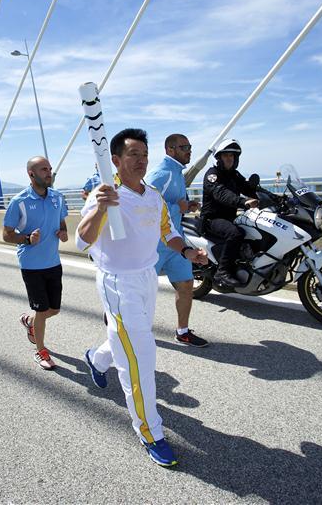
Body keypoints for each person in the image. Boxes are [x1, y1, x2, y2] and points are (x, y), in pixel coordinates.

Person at [76, 128, 208, 467]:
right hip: (117, 283)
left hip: (147, 278)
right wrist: (101, 208)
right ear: (115, 161)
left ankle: (97, 357)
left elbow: (168, 232)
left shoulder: (152, 196)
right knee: (140, 358)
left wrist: (188, 251)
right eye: (133, 154)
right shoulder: (103, 194)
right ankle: (149, 431)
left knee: (129, 342)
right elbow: (82, 240)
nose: (142, 159)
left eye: (144, 154)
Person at [2, 156, 68, 370]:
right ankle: (40, 351)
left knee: (54, 310)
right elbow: (7, 234)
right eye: (43, 169)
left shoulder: (57, 197)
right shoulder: (19, 202)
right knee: (42, 311)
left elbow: (61, 219)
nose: (49, 172)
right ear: (31, 174)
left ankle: (30, 322)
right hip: (32, 265)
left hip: (53, 262)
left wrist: (63, 231)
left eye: (49, 168)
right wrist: (27, 238)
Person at [144, 134, 209, 347]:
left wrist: (186, 206)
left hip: (175, 241)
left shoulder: (177, 173)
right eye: (184, 147)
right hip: (153, 245)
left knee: (186, 284)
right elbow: (144, 206)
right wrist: (177, 208)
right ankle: (122, 325)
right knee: (141, 292)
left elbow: (170, 203)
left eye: (190, 146)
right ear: (170, 150)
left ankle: (182, 332)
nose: (189, 150)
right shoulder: (160, 174)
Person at [200, 138, 259, 287]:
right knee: (235, 233)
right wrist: (243, 202)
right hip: (211, 220)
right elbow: (221, 193)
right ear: (219, 158)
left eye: (232, 156)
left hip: (229, 218)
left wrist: (278, 199)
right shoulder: (212, 174)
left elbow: (248, 189)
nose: (229, 158)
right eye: (226, 155)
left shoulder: (234, 174)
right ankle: (223, 272)